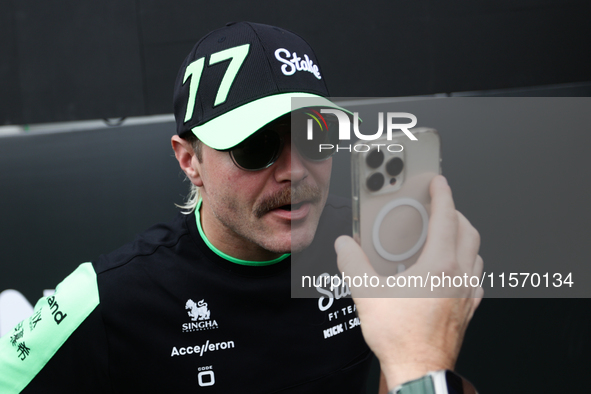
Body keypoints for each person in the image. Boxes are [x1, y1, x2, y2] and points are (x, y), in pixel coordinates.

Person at [0, 22, 482, 393]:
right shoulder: (108, 297)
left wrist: (422, 361)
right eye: (256, 146)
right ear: (191, 160)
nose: (296, 170)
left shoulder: (374, 244)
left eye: (317, 137)